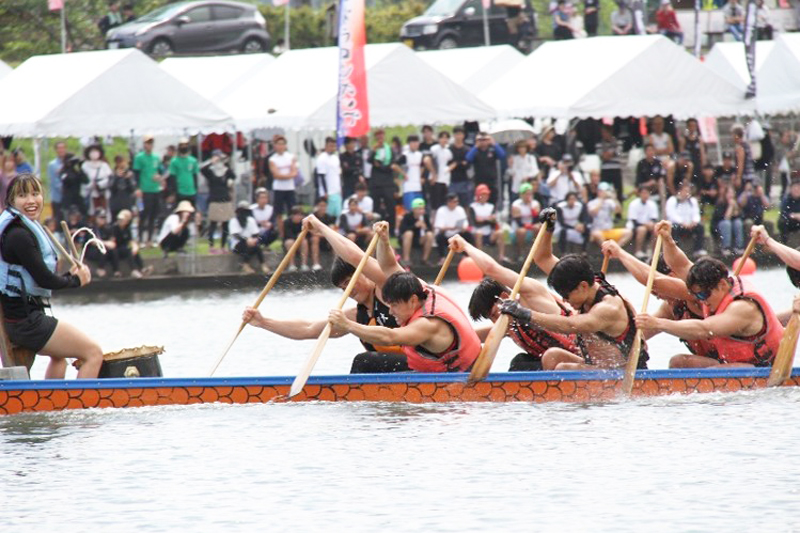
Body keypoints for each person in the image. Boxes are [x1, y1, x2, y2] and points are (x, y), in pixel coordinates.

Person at [243, 216, 408, 373]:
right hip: (397, 373)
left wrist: (321, 228)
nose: (348, 291)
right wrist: (264, 322)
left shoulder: (387, 290)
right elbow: (308, 329)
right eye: (343, 288)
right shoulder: (355, 316)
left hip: (422, 366)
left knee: (363, 361)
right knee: (366, 361)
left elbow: (355, 257)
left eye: (349, 282)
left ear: (366, 274)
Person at [502, 208, 649, 370]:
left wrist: (526, 314)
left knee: (563, 369)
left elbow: (570, 325)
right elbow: (543, 258)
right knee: (552, 356)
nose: (564, 301)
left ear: (583, 286)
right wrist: (549, 229)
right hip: (597, 367)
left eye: (566, 295)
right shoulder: (583, 280)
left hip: (624, 373)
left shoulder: (608, 307)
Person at [0, 174, 102, 378]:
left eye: (35, 194)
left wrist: (69, 276)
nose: (31, 200)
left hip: (23, 318)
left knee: (59, 356)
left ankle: (55, 407)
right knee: (93, 353)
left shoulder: (21, 229)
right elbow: (45, 279)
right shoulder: (18, 235)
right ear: (12, 201)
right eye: (22, 195)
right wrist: (75, 280)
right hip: (26, 323)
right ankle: (80, 407)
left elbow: (40, 275)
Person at [450, 235, 577, 371]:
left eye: (493, 314)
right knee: (519, 362)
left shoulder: (530, 294)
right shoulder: (510, 324)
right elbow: (470, 336)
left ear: (504, 297)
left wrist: (465, 246)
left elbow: (492, 269)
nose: (495, 322)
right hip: (554, 367)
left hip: (580, 360)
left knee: (548, 357)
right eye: (490, 318)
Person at [636, 257, 783, 368]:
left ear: (722, 285)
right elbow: (681, 264)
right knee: (678, 362)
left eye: (703, 295)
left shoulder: (742, 307)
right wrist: (668, 239)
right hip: (729, 362)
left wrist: (658, 323)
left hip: (759, 367)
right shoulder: (709, 294)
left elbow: (705, 329)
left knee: (716, 371)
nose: (702, 301)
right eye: (698, 296)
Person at [327, 271, 480, 373]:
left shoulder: (427, 324)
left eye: (394, 305)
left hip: (453, 378)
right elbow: (388, 265)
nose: (391, 311)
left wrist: (348, 325)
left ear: (413, 300)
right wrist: (384, 241)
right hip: (451, 369)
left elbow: (389, 337)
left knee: (364, 361)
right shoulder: (427, 291)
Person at [601, 239, 717, 365]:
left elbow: (655, 281)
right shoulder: (669, 308)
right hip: (713, 363)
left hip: (730, 365)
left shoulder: (697, 295)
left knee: (679, 362)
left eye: (656, 292)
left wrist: (620, 253)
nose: (656, 296)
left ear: (672, 277)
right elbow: (639, 336)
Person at [201, 150, 235, 253]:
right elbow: (202, 170)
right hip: (214, 199)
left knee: (226, 224)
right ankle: (211, 246)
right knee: (213, 224)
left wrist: (225, 162)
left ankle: (223, 246)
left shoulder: (226, 171)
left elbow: (233, 176)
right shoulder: (210, 171)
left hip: (225, 199)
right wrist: (212, 162)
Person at [133, 135, 163, 247]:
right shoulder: (139, 157)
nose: (148, 145)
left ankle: (150, 239)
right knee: (143, 215)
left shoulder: (156, 157)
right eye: (147, 143)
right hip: (145, 189)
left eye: (150, 143)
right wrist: (137, 188)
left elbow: (160, 170)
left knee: (153, 215)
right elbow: (136, 174)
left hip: (155, 189)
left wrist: (159, 177)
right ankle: (140, 239)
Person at [367, 129, 398, 235]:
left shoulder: (390, 149)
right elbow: (369, 160)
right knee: (375, 207)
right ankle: (375, 230)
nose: (380, 137)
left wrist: (379, 166)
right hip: (376, 183)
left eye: (381, 135)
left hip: (388, 183)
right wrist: (374, 151)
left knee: (391, 207)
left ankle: (392, 231)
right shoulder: (374, 149)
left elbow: (392, 164)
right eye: (378, 135)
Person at [268, 136, 299, 241]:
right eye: (278, 144)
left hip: (289, 188)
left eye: (282, 144)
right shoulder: (272, 159)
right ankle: (282, 235)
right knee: (279, 213)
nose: (280, 146)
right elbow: (276, 175)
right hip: (279, 188)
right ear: (275, 146)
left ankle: (294, 232)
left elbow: (294, 172)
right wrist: (288, 175)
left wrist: (285, 175)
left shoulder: (291, 157)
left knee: (292, 211)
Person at [666, 181, 706, 258]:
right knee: (674, 228)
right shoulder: (672, 200)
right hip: (678, 225)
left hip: (690, 225)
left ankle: (698, 249)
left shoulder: (692, 201)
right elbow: (671, 215)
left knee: (700, 227)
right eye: (685, 191)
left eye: (688, 191)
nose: (687, 193)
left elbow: (696, 213)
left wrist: (694, 221)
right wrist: (682, 223)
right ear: (680, 191)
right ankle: (676, 250)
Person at [469, 183, 506, 262]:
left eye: (486, 194)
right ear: (478, 195)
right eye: (483, 194)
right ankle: (480, 258)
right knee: (479, 233)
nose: (485, 196)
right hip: (477, 233)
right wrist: (487, 219)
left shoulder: (491, 206)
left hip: (489, 233)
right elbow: (475, 222)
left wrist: (483, 219)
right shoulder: (472, 207)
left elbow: (493, 221)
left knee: (500, 232)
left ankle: (501, 256)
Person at [466, 133, 506, 205]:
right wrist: (476, 146)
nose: (483, 142)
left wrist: (494, 144)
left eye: (485, 140)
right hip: (479, 182)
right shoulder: (475, 151)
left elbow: (502, 155)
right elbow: (468, 158)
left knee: (492, 202)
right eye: (480, 140)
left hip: (492, 182)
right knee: (480, 202)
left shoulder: (492, 150)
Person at [229, 201, 267, 275]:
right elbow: (235, 235)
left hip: (251, 242)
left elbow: (256, 233)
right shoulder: (233, 221)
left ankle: (263, 264)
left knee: (257, 247)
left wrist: (254, 239)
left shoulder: (251, 220)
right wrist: (246, 239)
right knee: (247, 246)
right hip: (237, 245)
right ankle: (245, 265)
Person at [588, 182, 630, 248]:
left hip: (609, 230)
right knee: (596, 234)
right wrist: (601, 199)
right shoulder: (592, 202)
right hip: (598, 231)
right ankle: (608, 250)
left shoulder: (610, 202)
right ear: (598, 191)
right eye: (602, 191)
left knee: (628, 232)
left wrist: (615, 198)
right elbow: (593, 212)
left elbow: (618, 211)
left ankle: (616, 249)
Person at [434, 193, 472, 263]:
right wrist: (451, 228)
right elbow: (440, 227)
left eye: (456, 201)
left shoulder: (460, 209)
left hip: (457, 234)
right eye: (453, 202)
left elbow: (465, 223)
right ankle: (442, 257)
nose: (455, 203)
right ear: (448, 202)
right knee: (439, 237)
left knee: (468, 235)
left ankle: (466, 256)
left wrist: (463, 227)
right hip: (446, 236)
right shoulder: (441, 210)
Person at [111, 209, 148, 278]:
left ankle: (142, 268)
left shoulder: (127, 229)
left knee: (134, 251)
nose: (120, 221)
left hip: (123, 248)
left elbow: (131, 240)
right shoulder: (114, 228)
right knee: (128, 251)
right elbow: (112, 241)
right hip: (116, 249)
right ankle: (133, 270)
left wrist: (135, 247)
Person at [509, 182, 541, 262]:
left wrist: (531, 208)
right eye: (526, 194)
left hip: (531, 228)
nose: (528, 196)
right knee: (522, 231)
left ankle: (536, 251)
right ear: (521, 195)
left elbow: (536, 219)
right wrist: (529, 226)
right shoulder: (516, 205)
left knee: (539, 227)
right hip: (519, 229)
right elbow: (519, 223)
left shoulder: (535, 203)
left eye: (530, 194)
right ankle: (521, 253)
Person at [399, 197, 434, 265]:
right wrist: (415, 226)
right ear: (414, 209)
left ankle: (424, 259)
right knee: (409, 233)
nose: (422, 211)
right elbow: (402, 230)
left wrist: (425, 227)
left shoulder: (425, 217)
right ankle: (406, 259)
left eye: (423, 208)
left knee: (430, 234)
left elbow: (430, 230)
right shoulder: (407, 216)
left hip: (419, 239)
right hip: (407, 239)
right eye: (419, 209)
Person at [394, 134, 424, 212]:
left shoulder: (420, 155)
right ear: (409, 144)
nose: (415, 144)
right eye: (413, 142)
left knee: (419, 210)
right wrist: (403, 174)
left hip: (418, 187)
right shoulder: (405, 155)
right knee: (410, 210)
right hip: (408, 187)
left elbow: (422, 166)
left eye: (416, 142)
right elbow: (394, 166)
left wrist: (420, 176)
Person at [81, 144, 113, 218]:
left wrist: (100, 185)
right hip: (91, 193)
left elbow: (109, 178)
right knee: (92, 212)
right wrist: (91, 185)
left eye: (96, 151)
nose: (94, 154)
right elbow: (83, 181)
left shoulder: (104, 165)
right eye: (92, 152)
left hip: (103, 193)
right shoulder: (85, 166)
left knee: (105, 211)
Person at [315, 137, 343, 220]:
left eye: (334, 146)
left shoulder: (335, 158)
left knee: (338, 215)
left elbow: (338, 174)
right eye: (331, 146)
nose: (332, 148)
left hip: (336, 191)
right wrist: (325, 192)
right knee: (328, 216)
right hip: (328, 192)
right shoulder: (321, 158)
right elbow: (321, 176)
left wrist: (340, 188)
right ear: (326, 146)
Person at [713, 185, 744, 257]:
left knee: (738, 223)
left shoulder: (736, 203)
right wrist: (730, 207)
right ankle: (726, 247)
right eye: (729, 193)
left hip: (732, 224)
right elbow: (726, 217)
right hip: (720, 224)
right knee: (727, 223)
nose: (730, 195)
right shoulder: (720, 203)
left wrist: (735, 207)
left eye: (732, 193)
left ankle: (739, 246)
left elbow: (739, 216)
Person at [168, 138, 199, 207]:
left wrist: (195, 189)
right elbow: (172, 178)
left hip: (191, 191)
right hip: (180, 191)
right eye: (182, 145)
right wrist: (174, 192)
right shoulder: (174, 161)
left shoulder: (193, 161)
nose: (184, 147)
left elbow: (195, 176)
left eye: (185, 145)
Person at [508, 139, 540, 204]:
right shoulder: (515, 158)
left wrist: (527, 176)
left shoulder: (531, 158)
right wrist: (510, 165)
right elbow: (512, 173)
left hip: (527, 184)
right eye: (520, 147)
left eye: (523, 147)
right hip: (517, 186)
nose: (522, 149)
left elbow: (535, 171)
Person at [428, 131, 453, 210]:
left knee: (444, 203)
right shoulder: (434, 149)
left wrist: (449, 169)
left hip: (445, 180)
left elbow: (451, 163)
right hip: (435, 179)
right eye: (442, 137)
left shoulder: (448, 151)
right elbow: (428, 161)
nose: (444, 140)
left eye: (446, 138)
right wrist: (433, 174)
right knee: (435, 205)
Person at [448, 126, 471, 208]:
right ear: (453, 135)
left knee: (465, 204)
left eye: (460, 134)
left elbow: (467, 165)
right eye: (456, 134)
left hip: (464, 180)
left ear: (463, 135)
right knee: (452, 203)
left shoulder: (467, 149)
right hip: (452, 181)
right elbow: (449, 165)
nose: (458, 136)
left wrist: (456, 164)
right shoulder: (449, 149)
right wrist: (460, 163)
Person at [283, 206, 309, 273]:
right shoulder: (287, 222)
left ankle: (304, 264)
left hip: (300, 241)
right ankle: (291, 265)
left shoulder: (304, 222)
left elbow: (308, 234)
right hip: (290, 240)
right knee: (290, 242)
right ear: (292, 215)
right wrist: (297, 237)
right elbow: (287, 235)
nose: (298, 217)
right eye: (296, 215)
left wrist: (300, 237)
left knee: (304, 241)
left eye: (300, 215)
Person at [47, 141, 66, 222]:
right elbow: (54, 181)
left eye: (63, 148)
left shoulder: (68, 163)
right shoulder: (52, 165)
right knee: (58, 218)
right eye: (59, 148)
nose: (61, 150)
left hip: (67, 198)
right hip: (57, 197)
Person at [339, 136, 364, 200]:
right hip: (347, 184)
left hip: (356, 184)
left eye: (354, 143)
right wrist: (355, 169)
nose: (353, 145)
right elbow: (345, 170)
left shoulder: (358, 155)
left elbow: (360, 168)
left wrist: (354, 169)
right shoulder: (342, 156)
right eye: (351, 143)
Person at [732, 124, 756, 190]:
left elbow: (740, 163)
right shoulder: (746, 145)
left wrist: (738, 178)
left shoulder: (740, 147)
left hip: (745, 177)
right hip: (750, 175)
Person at [779, 177, 800, 243]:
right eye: (795, 188)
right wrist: (794, 215)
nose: (797, 190)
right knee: (783, 221)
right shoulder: (786, 199)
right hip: (789, 222)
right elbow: (783, 213)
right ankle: (784, 243)